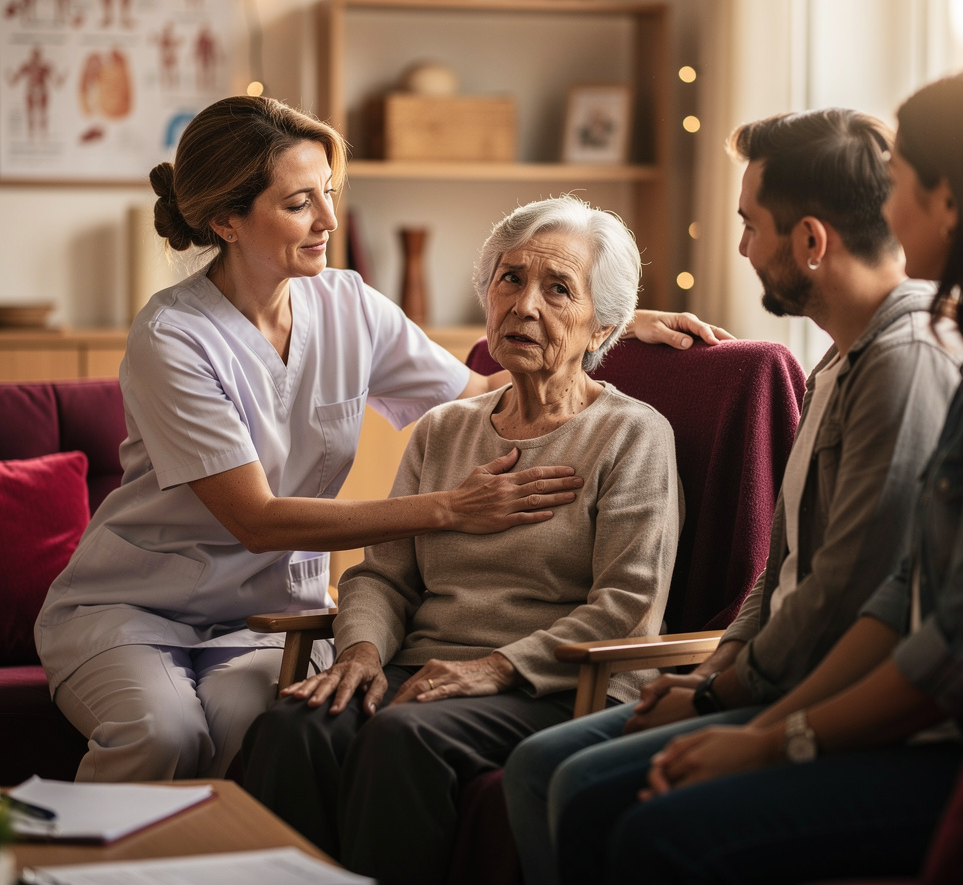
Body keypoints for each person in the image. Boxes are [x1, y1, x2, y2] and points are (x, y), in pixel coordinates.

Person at [34, 96, 715, 784]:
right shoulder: (171, 338)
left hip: (266, 617)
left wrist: (608, 320)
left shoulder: (349, 304)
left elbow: (480, 390)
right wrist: (449, 507)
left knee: (264, 727)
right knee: (164, 735)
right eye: (300, 203)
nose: (330, 220)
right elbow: (256, 519)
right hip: (139, 606)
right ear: (226, 221)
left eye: (328, 194)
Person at [556, 66, 963, 885]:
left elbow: (940, 641)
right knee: (573, 782)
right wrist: (715, 684)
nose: (889, 205)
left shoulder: (936, 362)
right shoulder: (903, 360)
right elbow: (863, 579)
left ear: (951, 202)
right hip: (852, 702)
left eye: (904, 181)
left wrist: (761, 724)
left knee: (619, 813)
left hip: (946, 741)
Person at [242, 195, 684, 885]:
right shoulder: (446, 429)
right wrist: (358, 652)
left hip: (556, 685)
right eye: (510, 279)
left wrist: (495, 667)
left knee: (400, 735)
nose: (525, 305)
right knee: (292, 727)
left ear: (602, 327)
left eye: (558, 288)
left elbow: (629, 602)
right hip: (425, 671)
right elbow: (383, 577)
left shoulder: (633, 435)